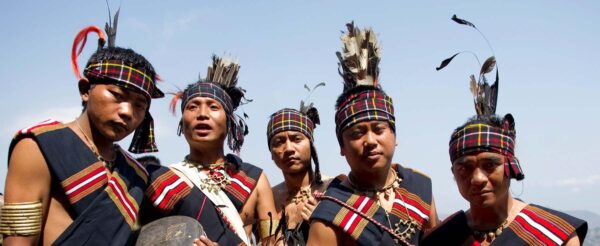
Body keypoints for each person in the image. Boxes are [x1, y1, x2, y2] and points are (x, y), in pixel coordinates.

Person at [423, 15, 588, 246]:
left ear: (510, 165)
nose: (477, 178)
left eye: (490, 165)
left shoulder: (555, 236)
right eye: (465, 168)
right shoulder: (441, 239)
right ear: (453, 172)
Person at [2, 12, 164, 245]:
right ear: (85, 89)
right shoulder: (39, 147)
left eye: (140, 106)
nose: (128, 112)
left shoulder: (136, 174)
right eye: (117, 95)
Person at [307, 22, 438, 246]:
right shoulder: (330, 215)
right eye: (357, 133)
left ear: (394, 137)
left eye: (379, 130)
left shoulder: (418, 189)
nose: (370, 141)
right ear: (342, 146)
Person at [141, 55, 278, 245]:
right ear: (182, 123)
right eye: (193, 107)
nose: (202, 114)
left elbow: (274, 242)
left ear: (229, 122)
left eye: (213, 107)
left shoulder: (254, 180)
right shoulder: (163, 182)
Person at [267, 85, 333, 245]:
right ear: (271, 152)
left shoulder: (334, 189)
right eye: (279, 142)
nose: (288, 148)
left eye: (296, 139)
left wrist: (322, 227)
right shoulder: (268, 198)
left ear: (311, 145)